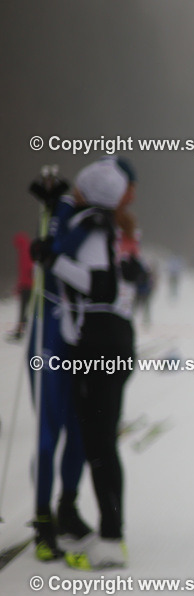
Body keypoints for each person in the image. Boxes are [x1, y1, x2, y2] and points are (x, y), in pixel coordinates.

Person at [31, 156, 140, 570]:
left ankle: (112, 537)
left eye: (78, 191)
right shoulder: (102, 223)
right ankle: (106, 529)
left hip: (101, 344)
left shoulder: (95, 226)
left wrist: (51, 260)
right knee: (97, 441)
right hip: (104, 342)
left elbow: (100, 284)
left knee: (99, 443)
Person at [24, 166, 90, 561]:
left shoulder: (92, 220)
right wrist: (52, 211)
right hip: (47, 331)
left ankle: (67, 505)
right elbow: (49, 255)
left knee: (79, 430)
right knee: (48, 435)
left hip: (76, 337)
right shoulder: (66, 211)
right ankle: (43, 519)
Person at [8, 232, 33, 341]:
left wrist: (22, 285)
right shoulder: (26, 250)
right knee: (25, 310)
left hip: (27, 286)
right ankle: (22, 331)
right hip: (26, 285)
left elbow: (27, 270)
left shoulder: (24, 251)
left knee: (24, 310)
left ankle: (21, 332)